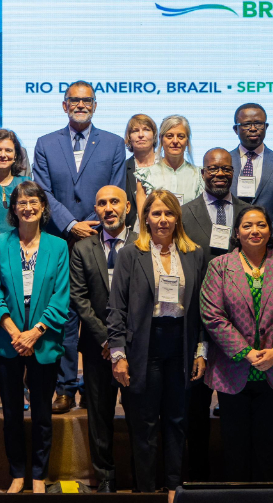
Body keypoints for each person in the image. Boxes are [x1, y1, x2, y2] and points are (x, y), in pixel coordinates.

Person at [108, 190, 207, 500]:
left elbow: (203, 309)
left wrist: (201, 350)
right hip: (144, 345)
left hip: (180, 343)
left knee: (178, 421)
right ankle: (146, 491)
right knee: (145, 423)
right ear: (145, 218)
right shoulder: (130, 253)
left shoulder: (194, 253)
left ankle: (175, 489)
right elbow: (116, 307)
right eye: (156, 213)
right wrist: (118, 354)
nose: (163, 219)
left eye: (168, 213)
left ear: (177, 217)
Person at [202, 204, 273, 482]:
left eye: (260, 225)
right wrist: (246, 352)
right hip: (232, 371)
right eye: (247, 225)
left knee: (269, 449)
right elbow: (212, 316)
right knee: (235, 450)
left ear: (269, 229)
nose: (254, 230)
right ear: (237, 232)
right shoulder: (219, 266)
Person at [31, 81, 121, 414]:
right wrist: (72, 224)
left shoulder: (113, 143)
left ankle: (102, 384)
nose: (80, 104)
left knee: (100, 312)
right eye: (74, 100)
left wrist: (93, 225)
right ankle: (66, 387)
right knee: (65, 315)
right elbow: (43, 192)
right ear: (64, 104)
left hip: (100, 239)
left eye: (87, 100)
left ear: (95, 105)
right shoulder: (45, 143)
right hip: (60, 239)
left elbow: (115, 190)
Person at [0, 180, 71, 492]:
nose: (28, 207)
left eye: (34, 202)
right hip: (5, 342)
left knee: (43, 415)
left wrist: (34, 334)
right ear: (13, 209)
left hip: (44, 341)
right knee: (11, 415)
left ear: (44, 207)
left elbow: (61, 298)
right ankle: (18, 473)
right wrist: (15, 334)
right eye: (22, 202)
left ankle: (38, 475)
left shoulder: (58, 246)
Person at [179, 147, 249, 480]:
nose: (219, 174)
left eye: (225, 169)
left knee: (236, 410)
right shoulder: (183, 213)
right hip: (195, 321)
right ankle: (197, 476)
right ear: (202, 173)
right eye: (212, 169)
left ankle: (237, 478)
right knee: (195, 407)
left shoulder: (249, 214)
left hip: (240, 324)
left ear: (233, 172)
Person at [69, 185, 135, 492]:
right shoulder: (83, 249)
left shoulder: (142, 244)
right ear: (95, 210)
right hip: (98, 348)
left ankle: (139, 477)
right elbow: (80, 299)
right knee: (99, 416)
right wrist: (109, 341)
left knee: (138, 415)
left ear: (128, 207)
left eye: (114, 202)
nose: (108, 208)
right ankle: (106, 478)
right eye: (101, 204)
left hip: (136, 346)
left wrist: (123, 342)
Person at [232, 102, 273, 232]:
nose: (253, 128)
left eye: (258, 123)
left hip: (271, 242)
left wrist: (268, 234)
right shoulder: (224, 162)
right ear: (235, 129)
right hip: (231, 240)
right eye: (247, 124)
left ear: (266, 127)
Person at [133, 114, 204, 209]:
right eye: (169, 136)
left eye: (181, 136)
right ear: (161, 139)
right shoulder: (145, 176)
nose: (175, 141)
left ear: (187, 141)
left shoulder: (199, 176)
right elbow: (142, 220)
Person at [124, 114, 158, 231]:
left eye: (146, 130)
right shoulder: (122, 169)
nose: (141, 135)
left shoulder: (167, 166)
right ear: (129, 138)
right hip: (133, 234)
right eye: (135, 131)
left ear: (154, 136)